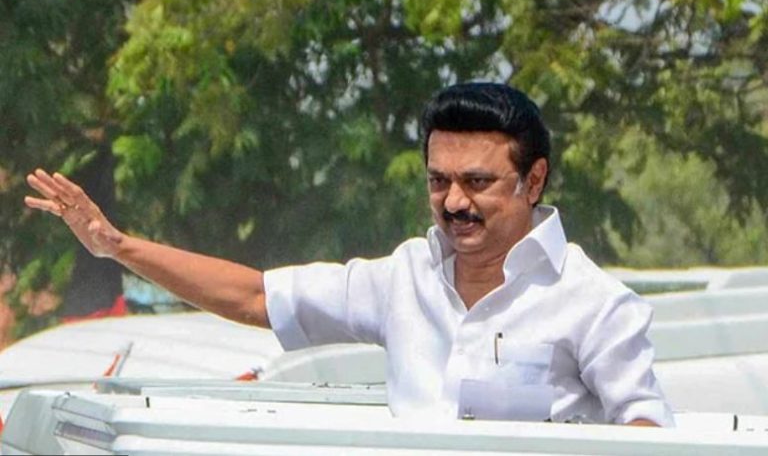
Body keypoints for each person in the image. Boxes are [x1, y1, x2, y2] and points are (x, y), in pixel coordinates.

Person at [25, 82, 673, 426]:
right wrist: (117, 246)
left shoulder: (595, 303)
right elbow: (253, 296)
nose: (453, 202)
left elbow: (650, 430)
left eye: (477, 182)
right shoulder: (403, 278)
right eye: (438, 181)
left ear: (533, 181)